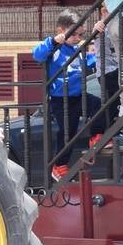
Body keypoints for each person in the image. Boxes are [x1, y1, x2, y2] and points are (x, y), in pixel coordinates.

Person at [31, 10, 101, 181]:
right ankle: (59, 165)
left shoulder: (78, 49)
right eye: (74, 34)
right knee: (67, 132)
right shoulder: (54, 48)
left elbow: (91, 60)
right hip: (60, 99)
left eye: (81, 34)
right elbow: (37, 55)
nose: (78, 38)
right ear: (61, 31)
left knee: (98, 105)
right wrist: (53, 41)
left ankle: (96, 135)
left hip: (78, 95)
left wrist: (97, 35)